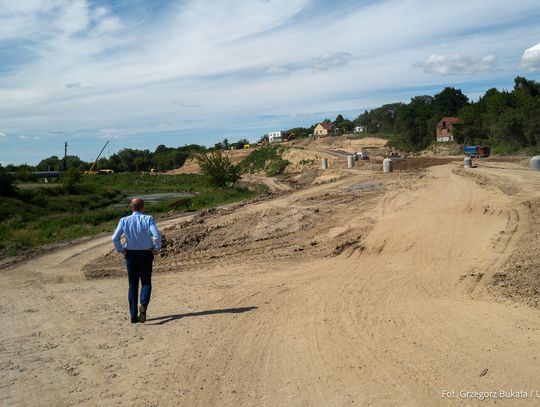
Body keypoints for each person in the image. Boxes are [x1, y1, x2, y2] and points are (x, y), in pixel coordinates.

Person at [112, 197, 161, 324]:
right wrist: (156, 248)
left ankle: (133, 316)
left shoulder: (124, 220)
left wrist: (121, 249)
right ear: (143, 207)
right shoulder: (149, 219)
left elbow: (115, 238)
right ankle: (143, 304)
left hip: (131, 255)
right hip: (146, 254)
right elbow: (156, 235)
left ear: (131, 207)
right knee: (146, 282)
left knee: (132, 284)